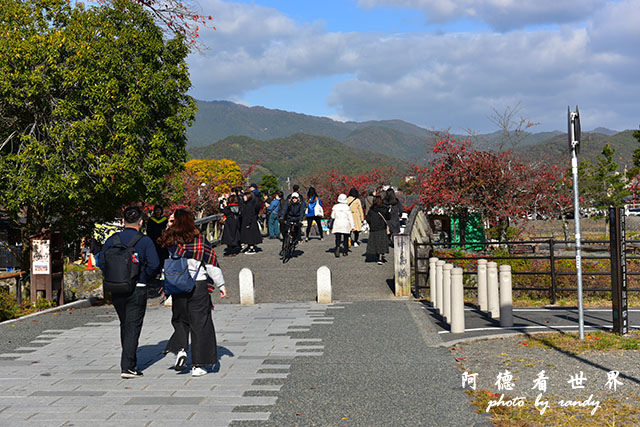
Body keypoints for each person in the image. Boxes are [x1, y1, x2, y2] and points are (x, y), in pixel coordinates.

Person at [158, 209, 227, 377]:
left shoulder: (170, 239)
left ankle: (181, 349)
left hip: (177, 284)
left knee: (180, 319)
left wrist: (170, 223)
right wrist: (221, 285)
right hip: (198, 284)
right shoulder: (199, 241)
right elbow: (211, 264)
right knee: (200, 324)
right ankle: (197, 365)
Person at [97, 206, 160, 378]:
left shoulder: (112, 239)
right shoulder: (145, 241)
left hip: (115, 287)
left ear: (123, 221)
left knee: (125, 323)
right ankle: (128, 367)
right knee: (133, 326)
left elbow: (101, 261)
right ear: (141, 222)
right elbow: (154, 264)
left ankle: (128, 359)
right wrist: (143, 277)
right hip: (137, 287)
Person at [365, 196, 390, 264]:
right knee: (381, 243)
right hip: (382, 228)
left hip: (373, 228)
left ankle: (377, 254)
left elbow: (368, 219)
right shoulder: (384, 209)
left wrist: (371, 223)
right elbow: (388, 217)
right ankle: (380, 257)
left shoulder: (372, 209)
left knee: (375, 242)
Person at [331, 194, 355, 258]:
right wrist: (353, 226)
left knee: (338, 238)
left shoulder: (335, 207)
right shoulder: (347, 207)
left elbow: (332, 216)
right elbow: (350, 217)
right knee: (345, 238)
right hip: (345, 223)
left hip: (337, 223)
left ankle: (337, 248)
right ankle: (345, 251)